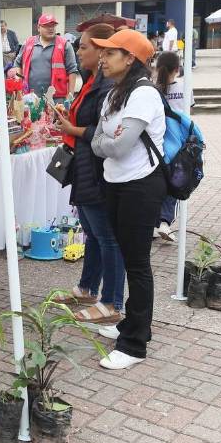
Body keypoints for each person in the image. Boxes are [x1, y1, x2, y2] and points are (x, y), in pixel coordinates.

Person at [89, 29, 167, 370]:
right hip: (117, 182)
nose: (102, 59)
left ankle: (135, 344)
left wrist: (110, 142)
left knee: (137, 264)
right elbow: (97, 140)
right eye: (102, 53)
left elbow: (116, 145)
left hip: (141, 185)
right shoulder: (114, 94)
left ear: (130, 58)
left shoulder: (144, 95)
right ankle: (129, 323)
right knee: (126, 253)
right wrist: (110, 141)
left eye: (110, 53)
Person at [54, 24, 125, 324]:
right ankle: (87, 288)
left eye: (84, 46)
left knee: (107, 237)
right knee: (93, 234)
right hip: (85, 164)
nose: (78, 51)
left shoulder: (108, 87)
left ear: (101, 52)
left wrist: (73, 129)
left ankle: (111, 301)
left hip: (97, 168)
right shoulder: (91, 81)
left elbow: (106, 132)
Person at [153, 51, 188, 242]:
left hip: (157, 142)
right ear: (177, 69)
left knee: (157, 182)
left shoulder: (152, 89)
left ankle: (153, 222)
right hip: (179, 144)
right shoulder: (185, 86)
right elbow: (189, 110)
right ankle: (164, 221)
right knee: (175, 183)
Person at [8, 14, 78, 101]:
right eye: (46, 26)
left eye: (53, 26)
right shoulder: (28, 43)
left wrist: (70, 95)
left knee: (55, 115)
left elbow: (72, 70)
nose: (51, 28)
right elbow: (18, 63)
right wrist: (19, 84)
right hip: (31, 97)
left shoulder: (65, 45)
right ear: (38, 28)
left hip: (56, 98)